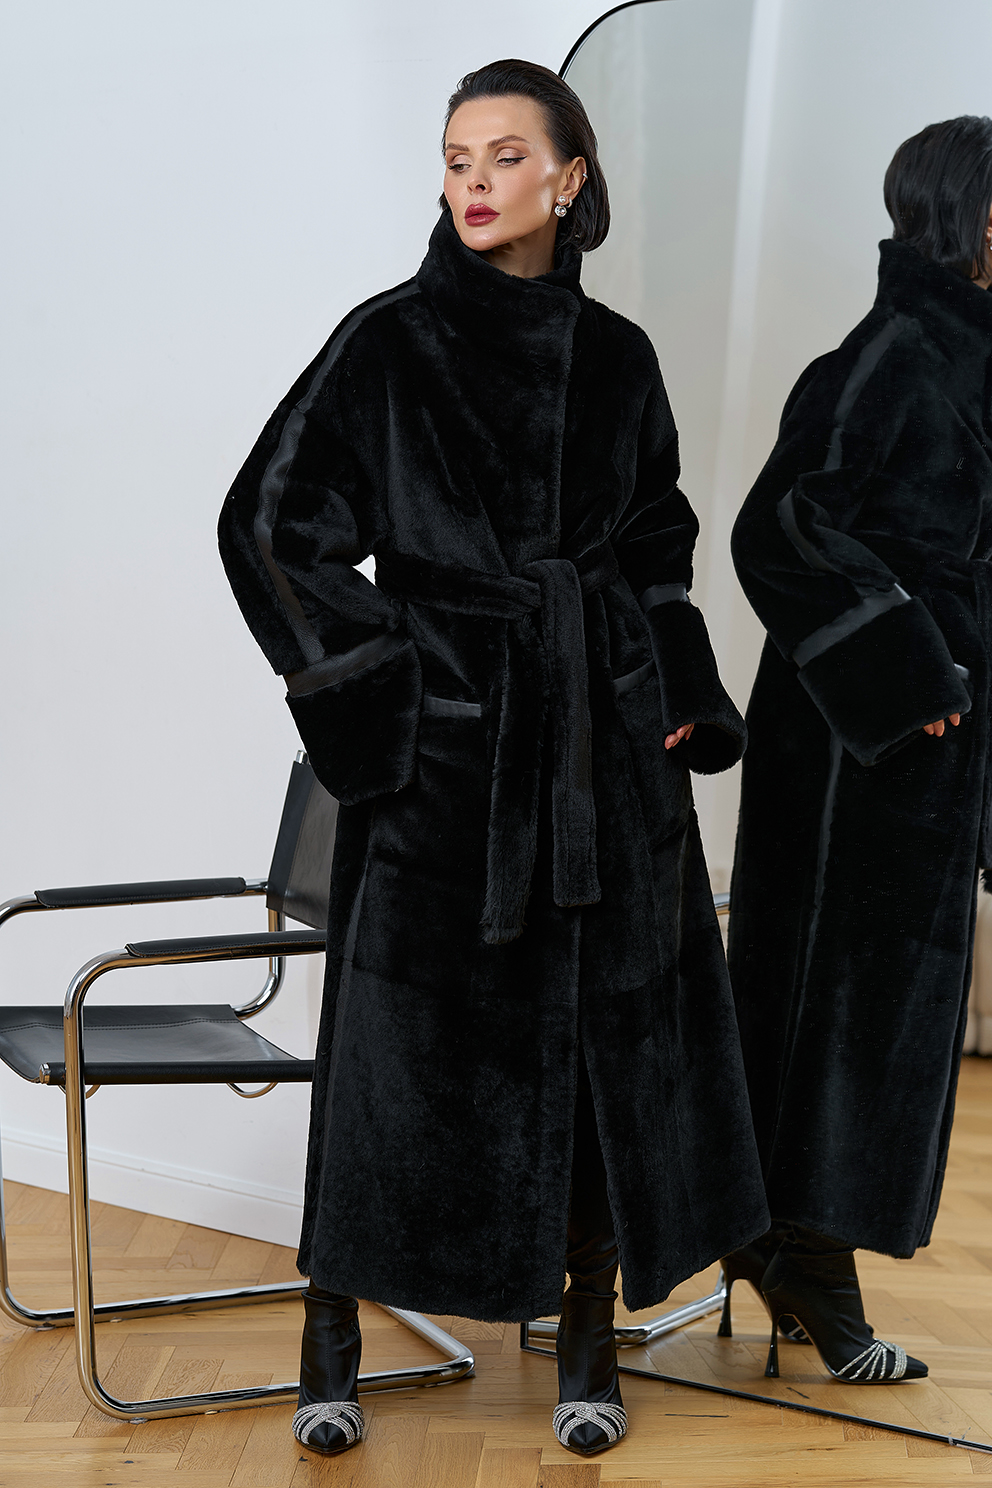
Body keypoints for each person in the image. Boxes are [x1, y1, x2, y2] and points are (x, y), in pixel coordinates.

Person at [219, 59, 768, 1459]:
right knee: (388, 1062)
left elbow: (654, 545)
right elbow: (268, 526)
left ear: (569, 179)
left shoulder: (622, 357)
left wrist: (676, 691)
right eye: (457, 157)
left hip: (603, 759)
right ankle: (330, 1345)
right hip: (445, 766)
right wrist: (391, 697)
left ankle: (587, 1339)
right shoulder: (387, 343)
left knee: (594, 1058)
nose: (474, 181)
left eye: (505, 156)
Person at [725, 115, 992, 1386]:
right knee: (840, 1006)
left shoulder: (966, 360)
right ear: (961, 212)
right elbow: (775, 529)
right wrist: (905, 671)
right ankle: (802, 1254)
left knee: (890, 1012)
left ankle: (790, 1241)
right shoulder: (887, 354)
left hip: (926, 753)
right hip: (852, 755)